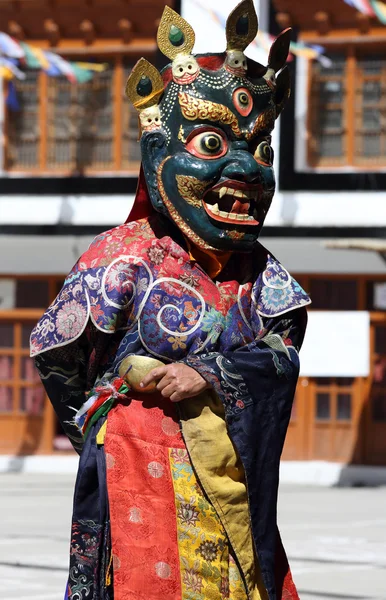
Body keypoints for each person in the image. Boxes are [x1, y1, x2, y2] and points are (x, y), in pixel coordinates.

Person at [30, 2, 311, 599]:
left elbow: (282, 355)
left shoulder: (266, 277)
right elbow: (59, 356)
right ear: (158, 155)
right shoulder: (121, 257)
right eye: (213, 144)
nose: (246, 170)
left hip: (232, 485)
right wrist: (115, 411)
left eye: (260, 151)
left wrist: (207, 374)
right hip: (138, 476)